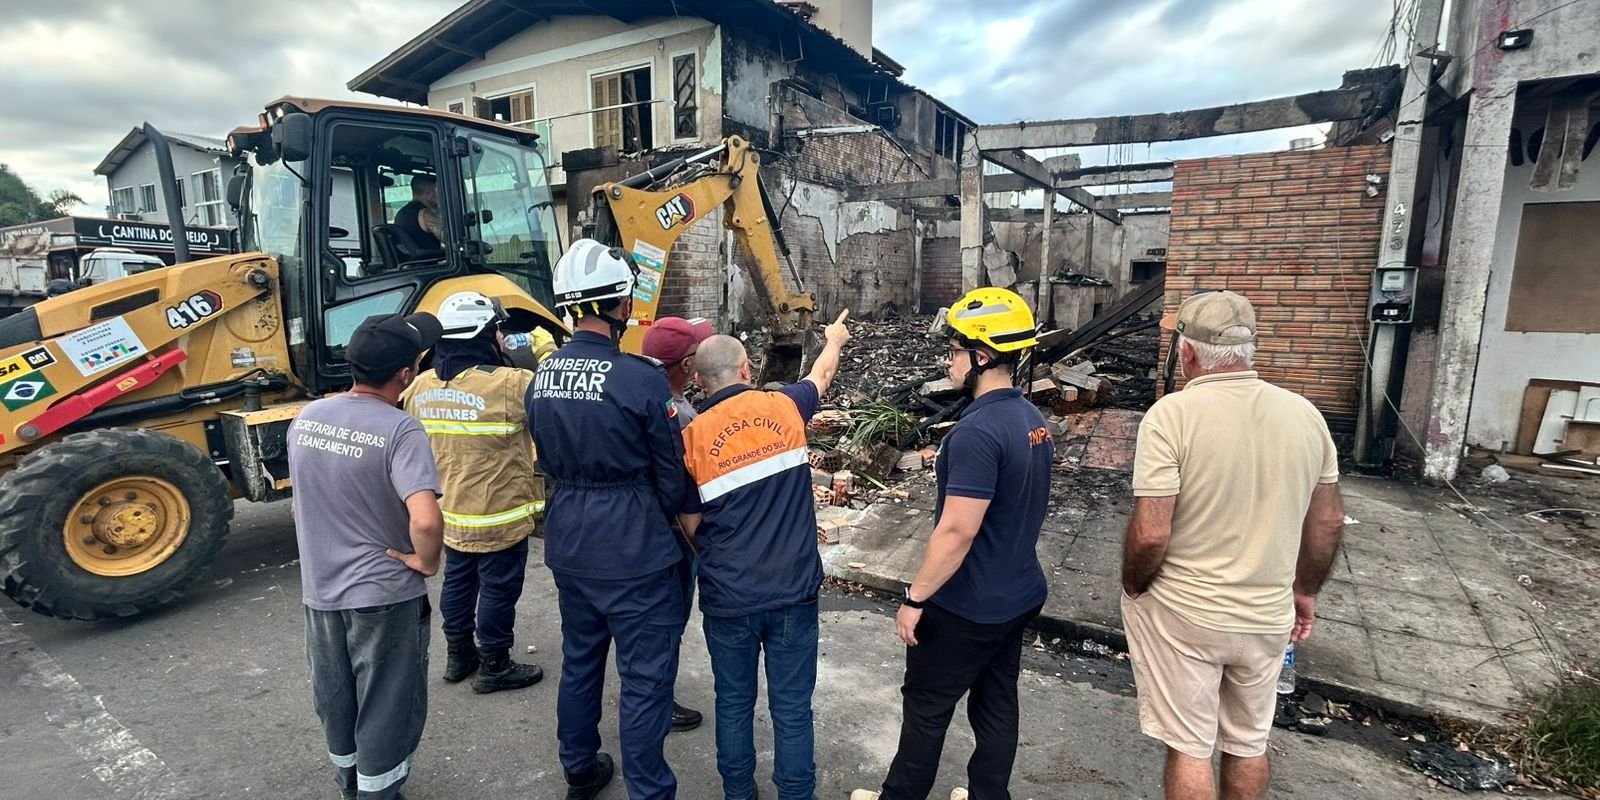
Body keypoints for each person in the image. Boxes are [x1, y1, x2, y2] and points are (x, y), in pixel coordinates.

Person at [1120, 291, 1345, 800]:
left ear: (1188, 353)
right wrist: (1305, 591)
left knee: (1190, 747)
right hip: (1267, 615)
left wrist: (1133, 584)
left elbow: (1153, 531)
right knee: (1248, 743)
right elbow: (1328, 520)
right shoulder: (1306, 415)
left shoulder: (1171, 415)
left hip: (1187, 614)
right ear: (1251, 349)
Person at [854, 289, 1052, 800]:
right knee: (995, 700)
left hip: (968, 604)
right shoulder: (1033, 422)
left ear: (981, 357)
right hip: (1019, 594)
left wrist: (915, 599)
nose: (950, 359)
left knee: (926, 706)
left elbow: (957, 531)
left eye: (956, 350)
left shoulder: (977, 432)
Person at [528, 239, 689, 800]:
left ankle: (579, 768)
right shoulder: (640, 378)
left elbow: (545, 458)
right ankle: (648, 789)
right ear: (620, 304)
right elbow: (670, 476)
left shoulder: (540, 376)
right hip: (634, 547)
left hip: (569, 539)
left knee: (581, 658)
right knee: (645, 680)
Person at [677, 311, 852, 800]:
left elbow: (690, 524)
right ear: (748, 370)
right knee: (793, 709)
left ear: (698, 380)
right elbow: (822, 376)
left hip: (728, 597)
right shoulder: (784, 406)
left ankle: (739, 793)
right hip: (792, 592)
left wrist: (719, 561)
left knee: (732, 704)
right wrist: (834, 338)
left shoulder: (690, 440)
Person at [287, 312, 444, 800]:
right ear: (405, 374)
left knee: (337, 698)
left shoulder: (308, 417)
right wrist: (427, 562)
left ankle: (350, 785)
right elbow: (424, 518)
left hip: (321, 591)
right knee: (387, 701)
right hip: (383, 593)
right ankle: (380, 792)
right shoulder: (401, 430)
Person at [402, 291, 544, 694]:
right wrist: (544, 347)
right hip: (500, 514)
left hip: (448, 513)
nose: (501, 338)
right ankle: (495, 664)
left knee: (458, 583)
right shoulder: (512, 384)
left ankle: (458, 655)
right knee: (499, 588)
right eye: (497, 330)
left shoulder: (420, 385)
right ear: (486, 334)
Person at [641, 316, 717, 734]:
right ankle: (658, 701)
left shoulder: (637, 399)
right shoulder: (683, 416)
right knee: (666, 624)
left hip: (638, 531)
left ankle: (650, 692)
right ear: (688, 365)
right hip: (675, 536)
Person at [394, 174, 443, 251]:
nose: (441, 196)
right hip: (431, 260)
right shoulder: (425, 214)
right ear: (430, 194)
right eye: (439, 191)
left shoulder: (400, 214)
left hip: (413, 261)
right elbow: (448, 238)